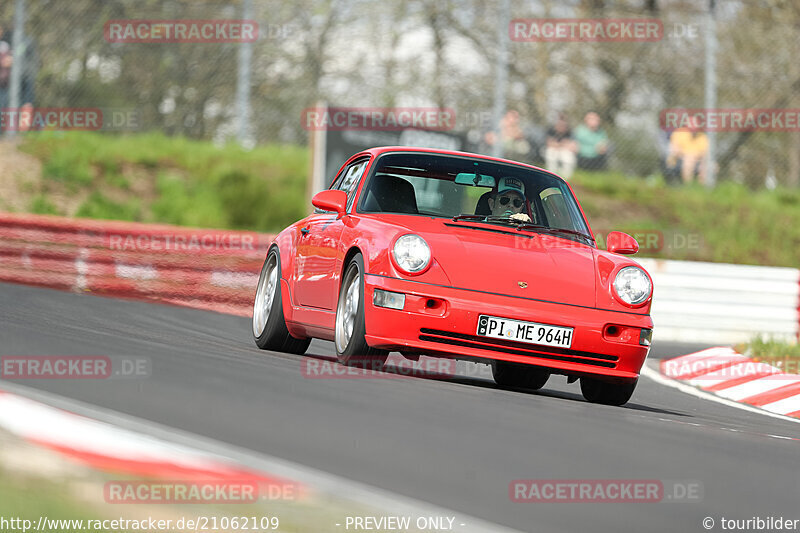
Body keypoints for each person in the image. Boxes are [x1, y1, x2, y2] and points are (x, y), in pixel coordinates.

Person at [544, 113, 578, 179]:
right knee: (550, 153)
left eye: (563, 125)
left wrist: (559, 144)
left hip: (564, 150)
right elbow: (549, 143)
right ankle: (551, 176)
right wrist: (564, 144)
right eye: (560, 124)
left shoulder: (570, 132)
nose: (561, 126)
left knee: (568, 157)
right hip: (553, 150)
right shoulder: (551, 130)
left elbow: (574, 147)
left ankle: (565, 178)